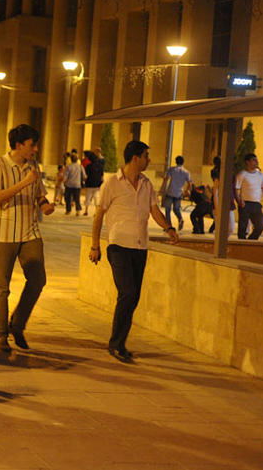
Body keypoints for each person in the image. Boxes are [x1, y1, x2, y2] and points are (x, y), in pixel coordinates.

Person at [89, 140, 179, 361]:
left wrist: (168, 228)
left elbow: (154, 210)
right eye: (146, 156)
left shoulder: (147, 184)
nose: (149, 160)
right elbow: (99, 215)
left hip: (140, 247)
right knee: (127, 293)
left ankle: (120, 342)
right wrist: (95, 246)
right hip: (118, 246)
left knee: (133, 297)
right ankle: (116, 344)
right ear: (135, 158)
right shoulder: (112, 183)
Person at [0, 124, 55, 352]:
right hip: (4, 233)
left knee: (38, 280)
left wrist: (45, 206)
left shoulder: (33, 166)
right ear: (18, 144)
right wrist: (24, 182)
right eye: (31, 145)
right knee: (1, 287)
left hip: (30, 232)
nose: (35, 149)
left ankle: (17, 324)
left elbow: (39, 194)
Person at [235, 153, 263, 240]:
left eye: (256, 160)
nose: (256, 162)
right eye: (254, 160)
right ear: (247, 162)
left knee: (260, 225)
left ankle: (251, 241)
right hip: (245, 204)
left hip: (256, 205)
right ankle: (241, 246)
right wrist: (239, 201)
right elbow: (236, 189)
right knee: (242, 228)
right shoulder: (242, 174)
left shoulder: (261, 175)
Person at [160, 155, 193, 230]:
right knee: (176, 209)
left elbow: (166, 179)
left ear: (176, 161)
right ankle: (180, 219)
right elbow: (190, 183)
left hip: (170, 191)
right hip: (179, 193)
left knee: (168, 209)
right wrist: (188, 190)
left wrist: (162, 189)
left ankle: (169, 226)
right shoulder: (186, 172)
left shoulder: (171, 169)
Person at [84, 151, 105, 216]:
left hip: (89, 184)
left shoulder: (88, 166)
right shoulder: (101, 166)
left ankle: (86, 211)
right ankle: (96, 212)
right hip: (97, 184)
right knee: (97, 197)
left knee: (88, 197)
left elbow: (86, 175)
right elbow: (102, 175)